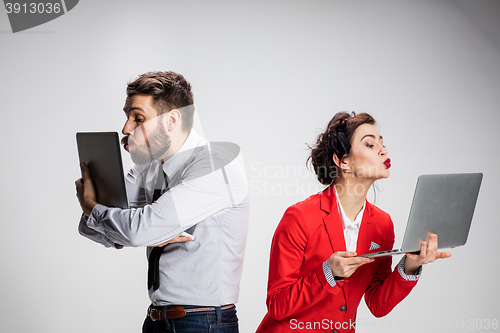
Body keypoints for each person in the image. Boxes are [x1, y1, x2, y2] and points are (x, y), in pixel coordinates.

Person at [75, 71, 249, 333]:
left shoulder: (214, 164)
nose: (126, 128)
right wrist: (144, 230)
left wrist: (94, 208)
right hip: (157, 320)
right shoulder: (149, 166)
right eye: (127, 117)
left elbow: (132, 230)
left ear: (172, 120)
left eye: (138, 118)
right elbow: (90, 228)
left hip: (203, 323)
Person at [256, 112, 451, 333]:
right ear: (343, 161)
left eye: (382, 143)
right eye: (370, 144)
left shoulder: (382, 224)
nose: (383, 150)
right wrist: (327, 273)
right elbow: (276, 305)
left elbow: (378, 304)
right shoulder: (299, 217)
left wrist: (411, 264)